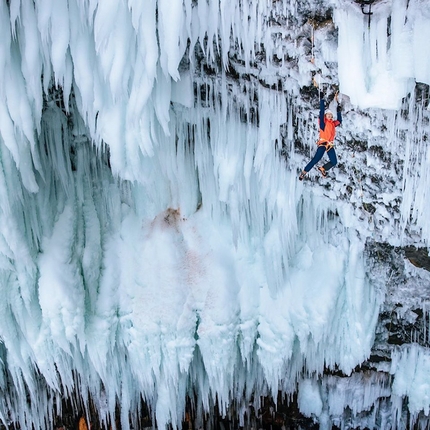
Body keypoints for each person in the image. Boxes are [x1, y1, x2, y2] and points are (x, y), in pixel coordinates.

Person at [299, 94, 342, 180]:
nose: (329, 116)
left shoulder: (333, 124)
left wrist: (338, 111)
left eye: (331, 115)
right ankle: (304, 172)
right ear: (325, 116)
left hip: (329, 145)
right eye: (328, 115)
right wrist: (322, 100)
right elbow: (322, 112)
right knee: (316, 159)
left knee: (334, 161)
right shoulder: (323, 123)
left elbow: (339, 121)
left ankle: (323, 168)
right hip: (323, 144)